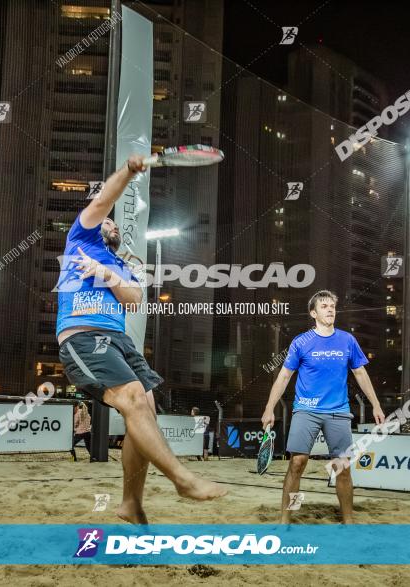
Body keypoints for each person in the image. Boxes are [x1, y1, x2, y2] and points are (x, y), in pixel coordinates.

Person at [56, 154, 226, 524]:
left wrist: (104, 272)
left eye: (116, 226)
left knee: (144, 411)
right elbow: (103, 201)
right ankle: (182, 480)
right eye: (110, 223)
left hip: (120, 340)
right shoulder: (80, 237)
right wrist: (130, 171)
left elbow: (133, 299)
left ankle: (131, 503)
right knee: (133, 399)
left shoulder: (118, 263)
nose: (113, 226)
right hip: (83, 336)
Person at [261, 290, 385, 524]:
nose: (330, 309)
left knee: (343, 467)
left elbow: (360, 373)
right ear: (313, 313)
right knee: (297, 464)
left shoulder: (347, 340)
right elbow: (284, 376)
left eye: (332, 306)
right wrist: (269, 407)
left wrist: (376, 404)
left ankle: (348, 522)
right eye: (324, 306)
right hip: (306, 410)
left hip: (338, 411)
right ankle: (287, 518)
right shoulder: (301, 342)